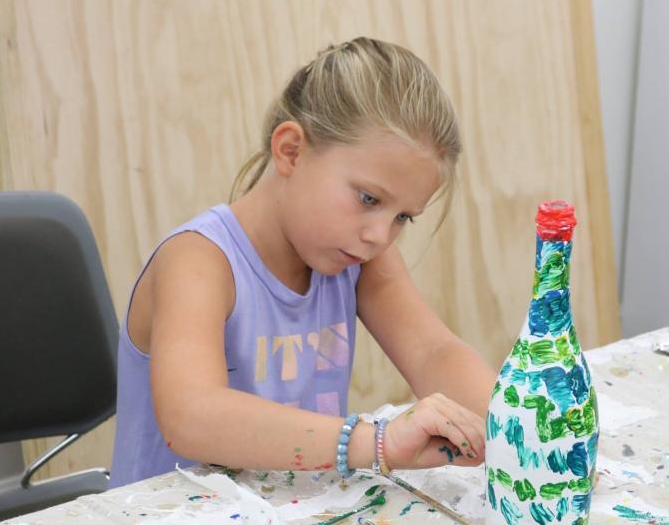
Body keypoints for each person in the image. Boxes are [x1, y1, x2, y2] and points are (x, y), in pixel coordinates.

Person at [110, 37, 497, 487]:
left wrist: (519, 426)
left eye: (403, 217)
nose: (379, 235)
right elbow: (192, 416)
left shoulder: (360, 255)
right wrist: (377, 443)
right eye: (368, 198)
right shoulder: (198, 260)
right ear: (291, 150)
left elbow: (434, 351)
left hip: (284, 524)